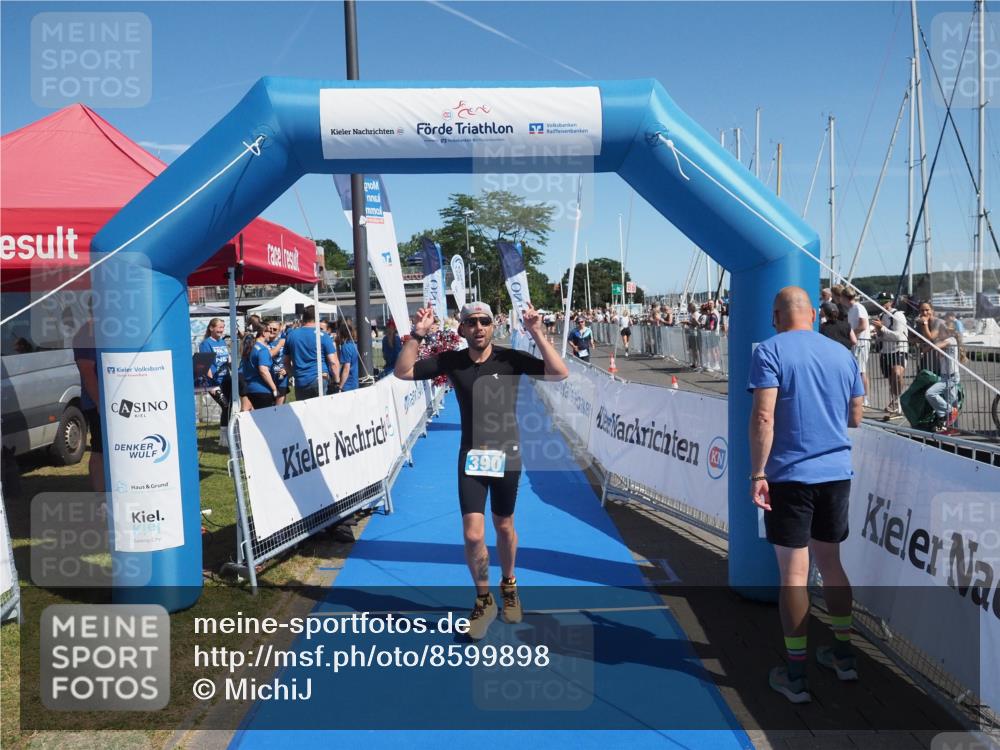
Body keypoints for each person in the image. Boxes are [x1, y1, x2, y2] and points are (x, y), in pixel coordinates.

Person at [395, 301, 568, 640]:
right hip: (471, 456)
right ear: (461, 329)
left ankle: (509, 584)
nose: (478, 327)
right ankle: (484, 600)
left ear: (492, 326)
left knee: (504, 527)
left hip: (508, 455)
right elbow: (403, 371)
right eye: (471, 322)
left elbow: (560, 372)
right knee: (474, 534)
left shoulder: (510, 359)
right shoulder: (452, 361)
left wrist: (536, 332)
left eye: (484, 321)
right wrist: (417, 334)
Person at [749, 286, 864, 704]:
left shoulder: (769, 351)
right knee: (831, 565)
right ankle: (844, 656)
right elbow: (855, 415)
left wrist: (758, 472)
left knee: (794, 576)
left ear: (776, 316)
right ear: (813, 314)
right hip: (835, 473)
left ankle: (796, 676)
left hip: (790, 476)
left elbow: (763, 415)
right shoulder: (842, 354)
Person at [284, 306, 340, 400]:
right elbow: (333, 362)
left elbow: (286, 362)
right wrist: (336, 381)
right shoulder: (322, 335)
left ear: (303, 317)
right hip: (319, 379)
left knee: (304, 413)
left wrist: (293, 374)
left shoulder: (291, 335)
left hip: (300, 381)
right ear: (317, 318)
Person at [872, 293, 909, 416]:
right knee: (891, 380)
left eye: (885, 301)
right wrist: (877, 333)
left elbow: (898, 335)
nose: (882, 304)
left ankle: (897, 401)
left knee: (897, 373)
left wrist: (882, 328)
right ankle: (895, 402)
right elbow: (882, 336)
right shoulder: (881, 316)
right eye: (880, 301)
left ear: (891, 302)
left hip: (899, 349)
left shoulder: (898, 315)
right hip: (886, 351)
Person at [199, 318, 233, 446]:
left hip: (227, 379)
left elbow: (227, 359)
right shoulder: (206, 344)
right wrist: (212, 384)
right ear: (211, 328)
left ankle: (227, 436)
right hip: (215, 382)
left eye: (223, 327)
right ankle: (224, 437)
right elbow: (206, 365)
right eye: (219, 327)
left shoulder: (222, 342)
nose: (221, 330)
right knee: (225, 405)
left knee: (230, 406)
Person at [925, 321, 962, 435]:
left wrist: (928, 347)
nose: (938, 333)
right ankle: (952, 429)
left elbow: (937, 346)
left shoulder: (951, 340)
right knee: (951, 401)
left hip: (951, 377)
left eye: (939, 331)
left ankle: (948, 412)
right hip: (945, 376)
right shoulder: (945, 342)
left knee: (930, 393)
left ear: (946, 332)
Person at [842, 288, 871, 407]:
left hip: (862, 342)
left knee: (861, 370)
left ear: (845, 298)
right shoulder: (851, 309)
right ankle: (861, 396)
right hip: (856, 342)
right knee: (858, 370)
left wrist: (851, 333)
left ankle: (865, 398)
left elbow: (863, 325)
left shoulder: (858, 307)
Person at [241, 324, 279, 409]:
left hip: (250, 388)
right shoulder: (263, 349)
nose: (271, 333)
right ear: (263, 333)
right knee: (266, 419)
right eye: (270, 331)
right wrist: (274, 388)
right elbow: (263, 370)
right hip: (262, 389)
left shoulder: (251, 347)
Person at [914, 301, 947, 373]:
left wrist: (925, 323)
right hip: (926, 359)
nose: (925, 313)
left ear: (932, 310)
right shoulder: (920, 323)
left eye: (927, 310)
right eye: (922, 310)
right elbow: (913, 337)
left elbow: (931, 337)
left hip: (939, 360)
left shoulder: (938, 322)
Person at [266, 320, 289, 405]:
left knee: (280, 407)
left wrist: (287, 369)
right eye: (270, 329)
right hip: (267, 378)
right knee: (268, 408)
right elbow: (269, 355)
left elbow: (291, 357)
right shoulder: (264, 341)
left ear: (279, 330)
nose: (271, 331)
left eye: (275, 329)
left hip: (281, 378)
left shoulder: (285, 342)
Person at [336, 319, 360, 392]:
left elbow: (346, 369)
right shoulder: (355, 345)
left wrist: (340, 386)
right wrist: (337, 345)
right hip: (355, 382)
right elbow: (341, 359)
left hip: (348, 384)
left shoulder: (346, 347)